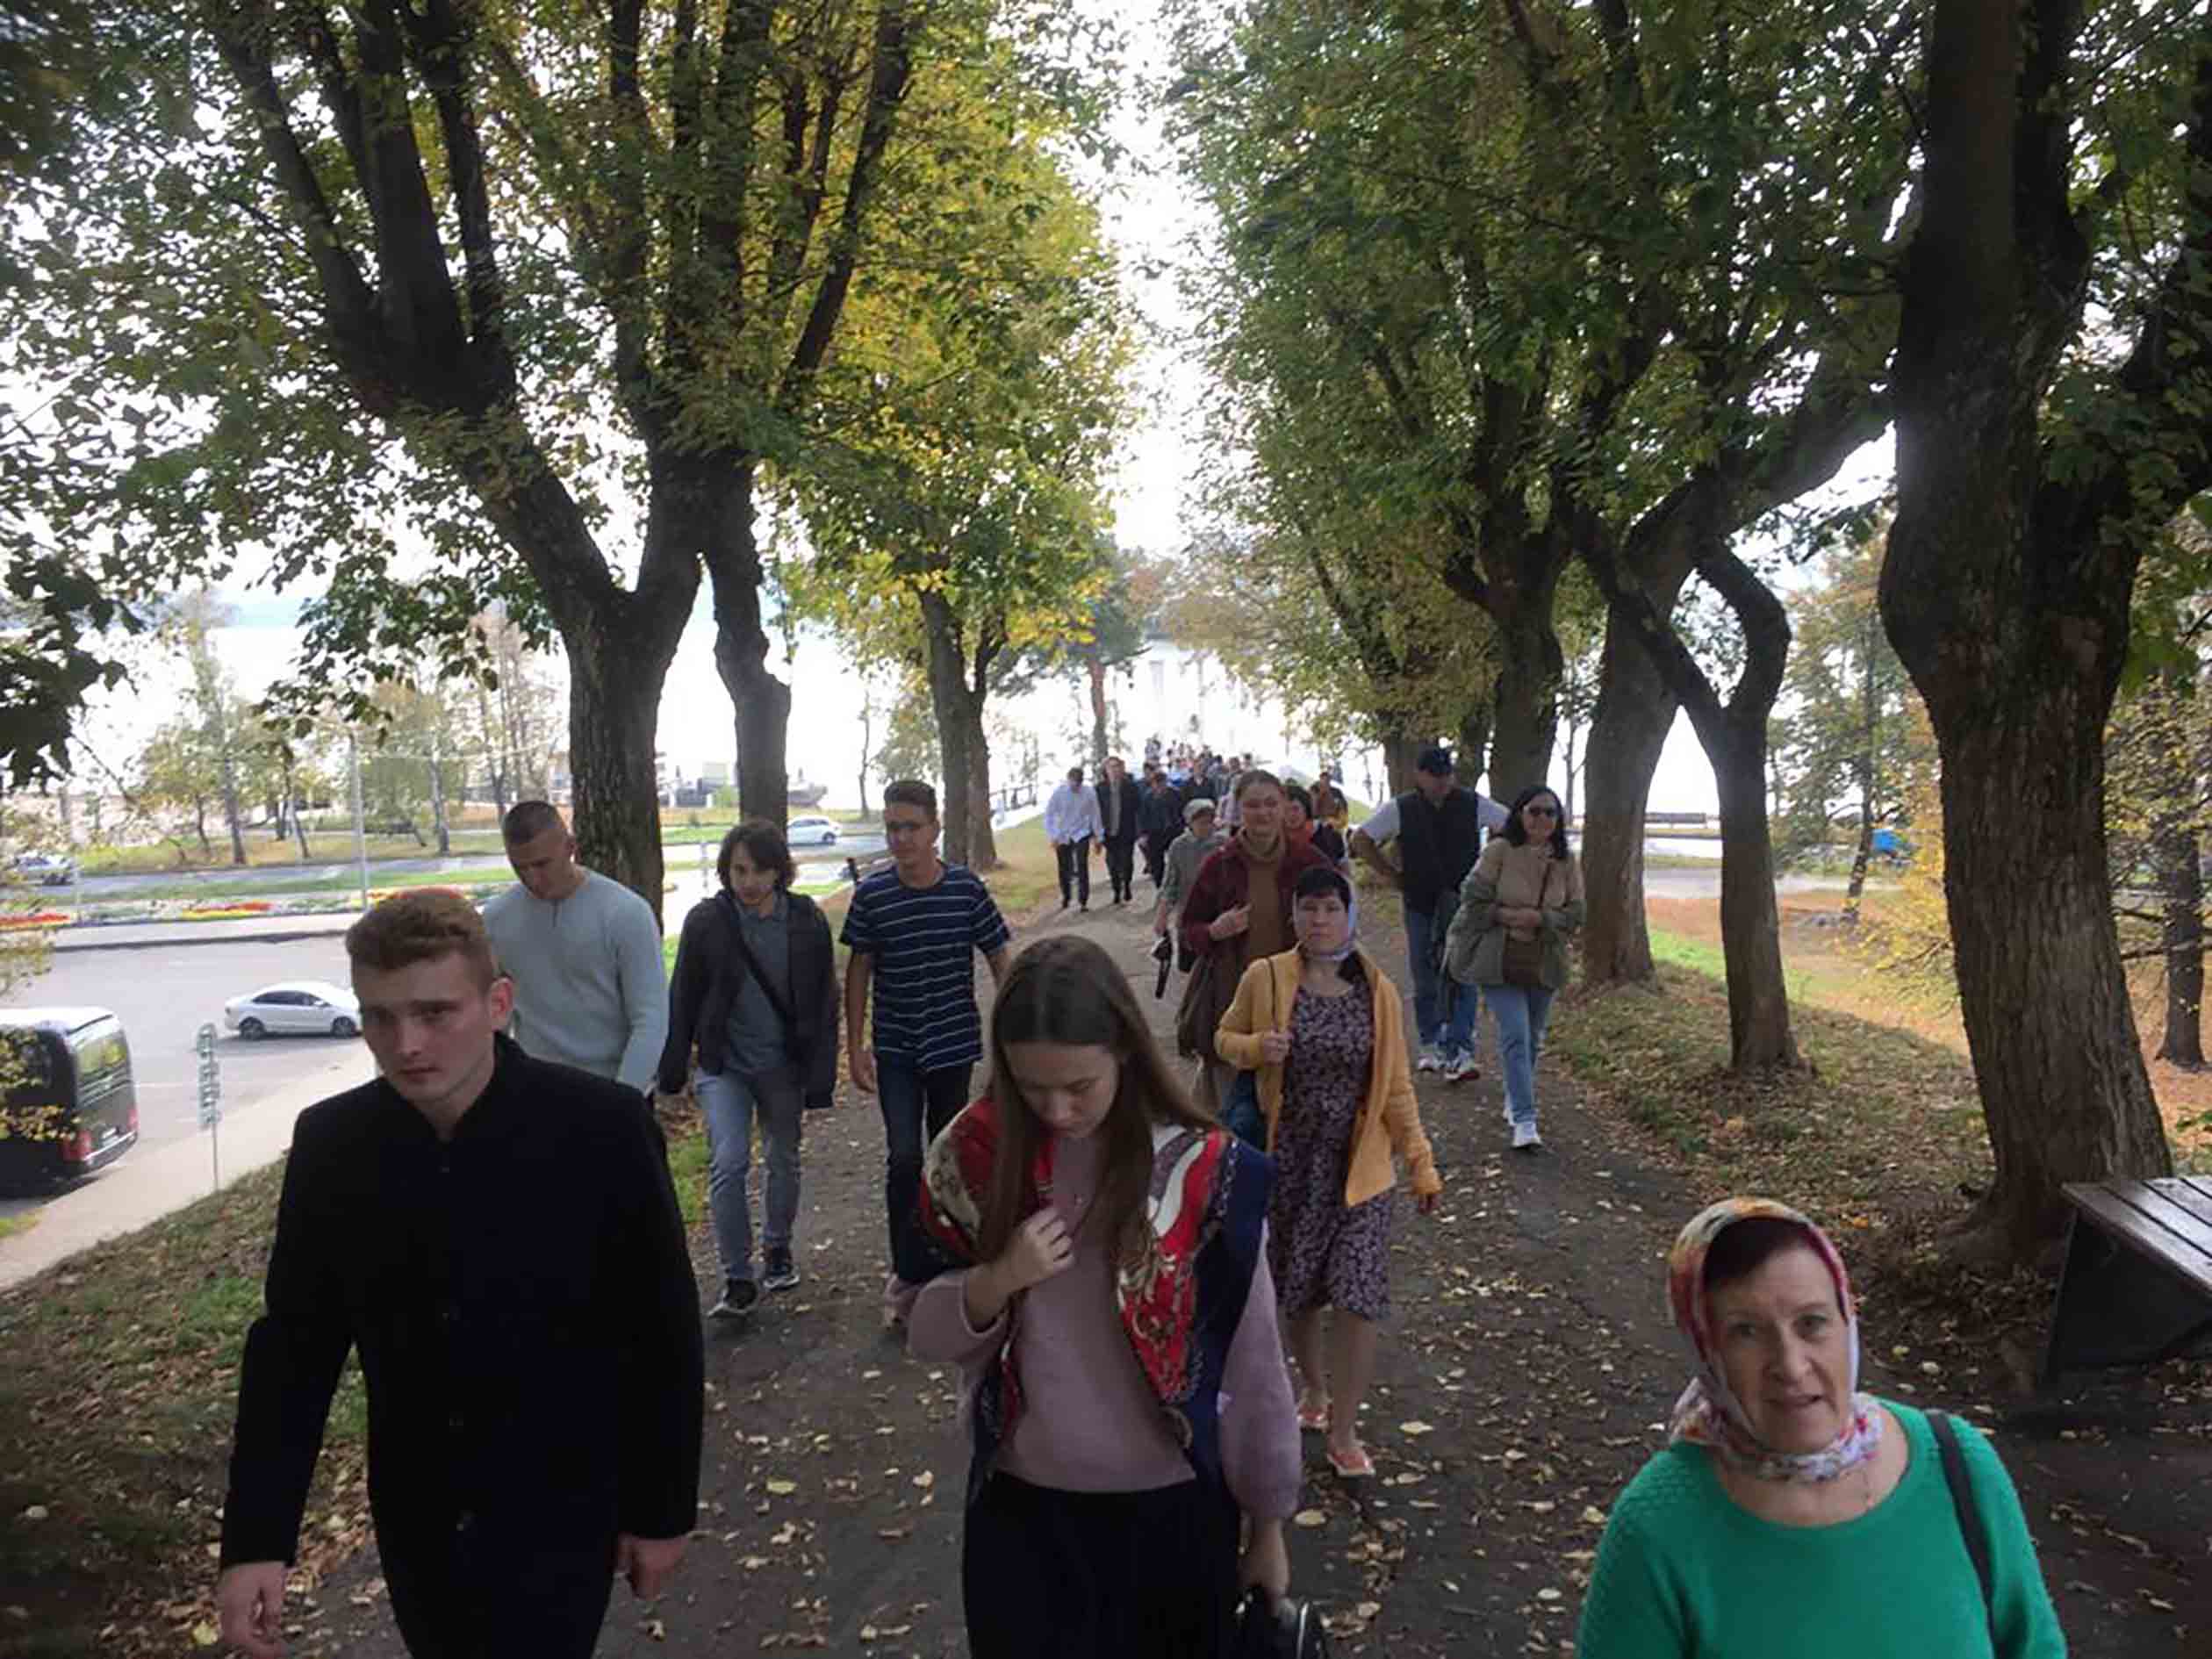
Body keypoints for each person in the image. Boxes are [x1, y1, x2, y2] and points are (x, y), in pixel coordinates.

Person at [214, 892, 702, 1659]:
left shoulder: (601, 1129)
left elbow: (661, 1326)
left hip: (563, 1506)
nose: (405, 1044)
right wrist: (256, 1541)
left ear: (498, 1004)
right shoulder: (334, 1147)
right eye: (379, 1018)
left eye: (435, 1013)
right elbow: (294, 1352)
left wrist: (662, 1510)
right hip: (418, 1518)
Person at [910, 934, 1301, 1657]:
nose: (1057, 1109)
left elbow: (1254, 1363)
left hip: (1172, 1517)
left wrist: (1269, 1524)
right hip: (1023, 1521)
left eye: (1078, 1086)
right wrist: (996, 1280)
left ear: (1123, 1048)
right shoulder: (973, 1160)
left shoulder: (1205, 1173)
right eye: (1031, 1087)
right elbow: (923, 1332)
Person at [1577, 1198, 2066, 1658]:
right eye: (1746, 1332)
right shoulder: (1659, 1530)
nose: (1791, 1366)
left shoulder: (1958, 1467)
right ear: (1706, 1352)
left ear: (1847, 1320)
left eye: (1812, 1323)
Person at [1214, 865, 1441, 1481]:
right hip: (1289, 1162)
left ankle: (1345, 1428)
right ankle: (1313, 1388)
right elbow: (1223, 1038)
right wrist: (1257, 1048)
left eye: (1330, 908)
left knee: (1357, 1293)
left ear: (1349, 915)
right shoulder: (1266, 977)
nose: (1319, 920)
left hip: (1360, 1166)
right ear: (1294, 915)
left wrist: (1420, 1163)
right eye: (1308, 908)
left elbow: (1397, 1087)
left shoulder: (1378, 991)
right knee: (1300, 1291)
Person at [844, 779, 1014, 1330]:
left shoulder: (965, 889)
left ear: (934, 829)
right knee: (903, 1159)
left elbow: (999, 956)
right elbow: (859, 970)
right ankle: (907, 1274)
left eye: (911, 827)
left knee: (948, 1160)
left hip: (953, 1045)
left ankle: (952, 1262)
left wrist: (1014, 1031)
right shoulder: (873, 896)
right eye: (893, 828)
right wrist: (855, 1045)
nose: (901, 838)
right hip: (896, 1047)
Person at [659, 820, 838, 1318]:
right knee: (729, 1161)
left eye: (760, 870)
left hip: (783, 1065)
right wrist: (672, 1070)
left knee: (783, 1157)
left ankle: (777, 1249)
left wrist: (820, 1075)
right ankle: (737, 1278)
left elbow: (824, 1000)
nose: (750, 881)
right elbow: (683, 995)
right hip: (725, 1067)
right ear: (726, 871)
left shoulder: (804, 920)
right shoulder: (707, 922)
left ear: (779, 871)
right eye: (739, 870)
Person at [481, 800, 667, 1095]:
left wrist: (623, 1097)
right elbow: (495, 1016)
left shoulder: (625, 913)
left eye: (542, 864)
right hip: (535, 1088)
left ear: (570, 847)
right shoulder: (496, 919)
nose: (532, 879)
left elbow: (651, 1018)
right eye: (520, 867)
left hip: (613, 1085)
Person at [1349, 746, 1505, 1083]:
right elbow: (1361, 839)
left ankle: (1461, 1048)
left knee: (1462, 972)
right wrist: (1390, 874)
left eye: (1446, 774)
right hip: (1420, 901)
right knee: (1424, 973)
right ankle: (1431, 1042)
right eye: (1435, 775)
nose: (1441, 781)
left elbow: (1511, 826)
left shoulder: (1473, 803)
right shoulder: (1401, 808)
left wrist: (1491, 870)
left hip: (1463, 903)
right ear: (1420, 775)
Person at [1179, 771, 1332, 1110]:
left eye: (1270, 804)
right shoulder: (1219, 865)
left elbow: (1342, 924)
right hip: (1233, 1001)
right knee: (1232, 1109)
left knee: (1293, 1105)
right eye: (1252, 805)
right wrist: (1214, 931)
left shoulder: (1309, 862)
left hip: (1298, 998)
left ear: (1284, 806)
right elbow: (1187, 931)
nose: (1262, 813)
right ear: (1238, 809)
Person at [1443, 783, 1584, 1152]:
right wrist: (1506, 915)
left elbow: (1576, 913)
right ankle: (1524, 1119)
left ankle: (1515, 1093)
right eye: (1534, 811)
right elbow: (1472, 898)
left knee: (1533, 1037)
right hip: (1498, 958)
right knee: (1516, 1035)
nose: (1542, 819)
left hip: (1544, 960)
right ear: (1520, 814)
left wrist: (1541, 919)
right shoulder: (1499, 851)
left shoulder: (1567, 861)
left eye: (1550, 812)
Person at [1156, 795, 1228, 951]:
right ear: (1189, 823)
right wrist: (1162, 916)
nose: (1206, 827)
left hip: (1218, 913)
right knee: (1189, 958)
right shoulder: (1178, 847)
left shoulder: (1224, 844)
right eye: (1201, 823)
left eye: (1210, 822)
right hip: (1188, 914)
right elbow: (1170, 884)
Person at [1044, 765, 1106, 913]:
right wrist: (1053, 836)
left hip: (1081, 832)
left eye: (1078, 783)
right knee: (1064, 867)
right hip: (1063, 834)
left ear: (1082, 782)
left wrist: (1099, 837)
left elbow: (1095, 815)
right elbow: (1049, 816)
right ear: (1068, 779)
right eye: (1073, 782)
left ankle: (1083, 900)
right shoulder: (1059, 793)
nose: (1075, 786)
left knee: (1082, 865)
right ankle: (1066, 896)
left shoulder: (1089, 793)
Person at [1095, 754, 1145, 908]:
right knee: (1112, 863)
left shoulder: (1131, 787)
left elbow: (1139, 810)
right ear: (1106, 770)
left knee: (1126, 861)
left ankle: (1127, 885)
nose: (1114, 770)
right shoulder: (1100, 789)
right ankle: (1116, 889)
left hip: (1126, 831)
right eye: (1111, 767)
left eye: (1117, 766)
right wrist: (1096, 834)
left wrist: (1140, 832)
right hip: (1109, 832)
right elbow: (1095, 813)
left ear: (1121, 769)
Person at [1138, 765, 1186, 890]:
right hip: (1155, 833)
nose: (1160, 787)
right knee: (1156, 863)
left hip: (1174, 831)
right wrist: (1143, 834)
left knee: (1176, 860)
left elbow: (1182, 811)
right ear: (1152, 784)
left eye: (1162, 784)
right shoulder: (1148, 797)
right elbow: (1143, 816)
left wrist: (1184, 826)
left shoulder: (1175, 794)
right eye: (1157, 784)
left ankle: (1176, 885)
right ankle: (1160, 887)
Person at [1282, 783, 1348, 870]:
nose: (1291, 815)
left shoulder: (1332, 836)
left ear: (1305, 809)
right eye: (1285, 810)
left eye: (1295, 809)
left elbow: (1344, 870)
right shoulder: (1277, 836)